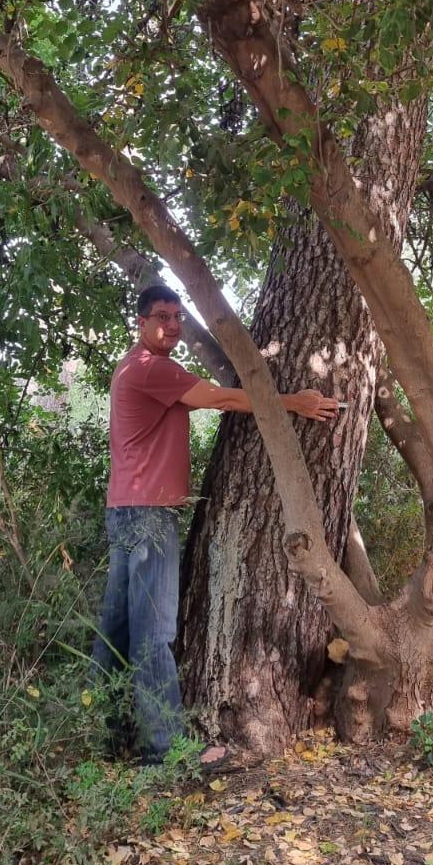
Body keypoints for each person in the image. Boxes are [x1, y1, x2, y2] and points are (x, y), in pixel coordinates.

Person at [89, 282, 339, 766]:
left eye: (178, 316)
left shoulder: (132, 366)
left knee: (116, 629)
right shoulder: (150, 368)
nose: (173, 325)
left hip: (126, 511)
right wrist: (292, 402)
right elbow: (221, 400)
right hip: (147, 516)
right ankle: (169, 749)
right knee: (152, 632)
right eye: (162, 316)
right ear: (141, 322)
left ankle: (102, 733)